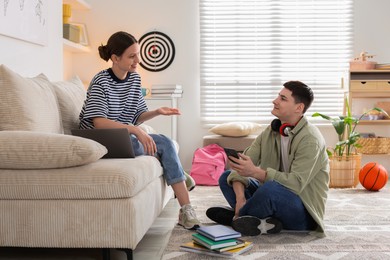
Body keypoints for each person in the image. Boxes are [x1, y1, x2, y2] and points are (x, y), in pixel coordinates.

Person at [79, 31, 200, 230]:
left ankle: (186, 210)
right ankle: (176, 171)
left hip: (124, 137)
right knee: (150, 143)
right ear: (115, 58)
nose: (138, 60)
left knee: (166, 142)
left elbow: (137, 115)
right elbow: (99, 123)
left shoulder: (134, 79)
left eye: (138, 54)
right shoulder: (100, 81)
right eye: (132, 56)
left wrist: (157, 112)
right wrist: (135, 130)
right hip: (101, 140)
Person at [206, 81, 329, 237]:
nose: (275, 101)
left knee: (270, 189)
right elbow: (242, 165)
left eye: (283, 98)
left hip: (303, 213)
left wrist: (256, 172)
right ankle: (256, 220)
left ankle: (236, 219)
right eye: (278, 96)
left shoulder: (310, 139)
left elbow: (296, 183)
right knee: (226, 177)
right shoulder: (271, 131)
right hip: (277, 200)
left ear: (299, 108)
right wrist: (240, 198)